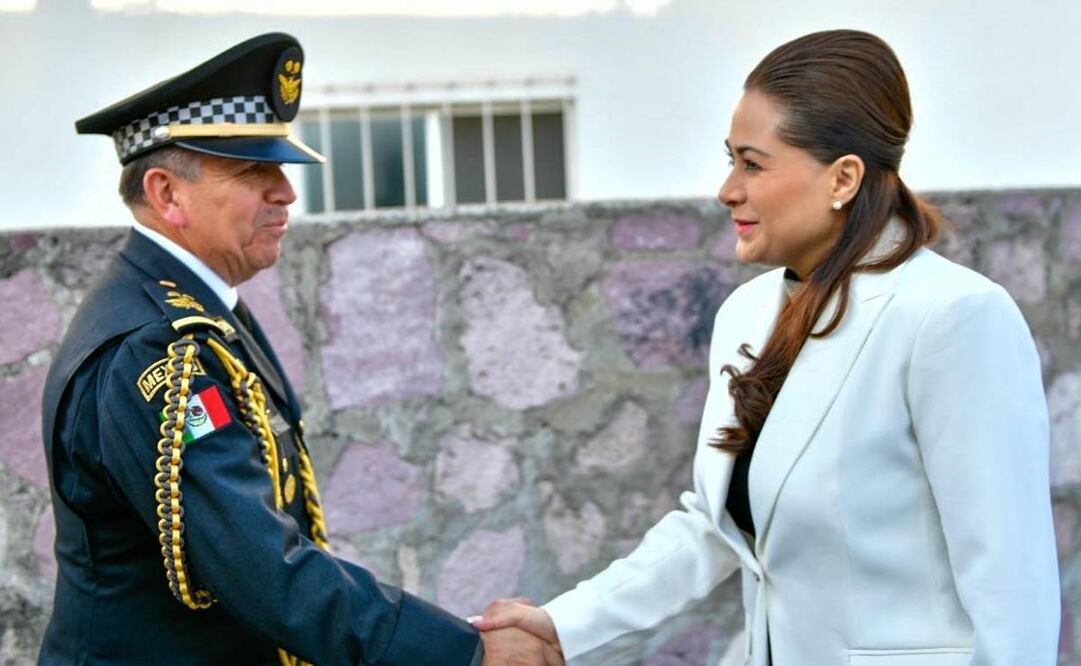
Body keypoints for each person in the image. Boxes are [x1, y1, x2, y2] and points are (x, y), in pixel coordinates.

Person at [474, 29, 1060, 665]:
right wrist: (562, 626)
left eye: (752, 164)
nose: (728, 189)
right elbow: (714, 526)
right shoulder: (746, 317)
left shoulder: (954, 319)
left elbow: (1012, 590)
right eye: (731, 160)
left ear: (843, 178)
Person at [40, 32, 556, 666]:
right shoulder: (154, 346)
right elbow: (263, 569)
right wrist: (463, 654)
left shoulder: (200, 311)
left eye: (279, 168)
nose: (285, 191)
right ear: (167, 194)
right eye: (254, 171)